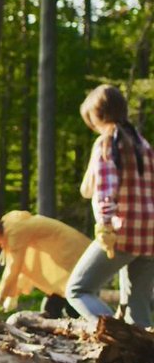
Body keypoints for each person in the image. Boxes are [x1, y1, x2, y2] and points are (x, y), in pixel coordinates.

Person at [65, 85, 154, 328]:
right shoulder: (142, 144)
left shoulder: (106, 143)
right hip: (149, 234)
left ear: (97, 114)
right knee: (139, 307)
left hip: (121, 232)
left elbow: (106, 190)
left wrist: (105, 227)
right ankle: (142, 360)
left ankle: (118, 333)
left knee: (77, 289)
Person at [0, 212, 88, 320]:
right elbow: (24, 265)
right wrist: (14, 294)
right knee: (50, 311)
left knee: (74, 308)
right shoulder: (10, 230)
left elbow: (13, 269)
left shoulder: (14, 231)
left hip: (73, 255)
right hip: (65, 264)